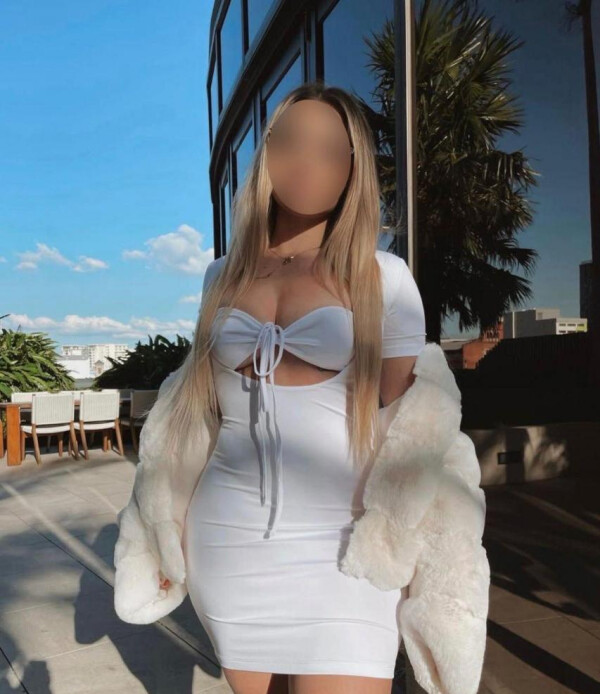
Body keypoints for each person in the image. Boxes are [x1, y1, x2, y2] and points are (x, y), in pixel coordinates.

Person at [114, 81, 490, 694]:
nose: (306, 162)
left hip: (344, 549)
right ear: (266, 154)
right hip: (227, 537)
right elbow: (199, 417)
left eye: (329, 151)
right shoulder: (221, 276)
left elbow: (412, 437)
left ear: (352, 173)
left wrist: (419, 554)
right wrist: (163, 520)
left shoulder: (384, 278)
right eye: (289, 142)